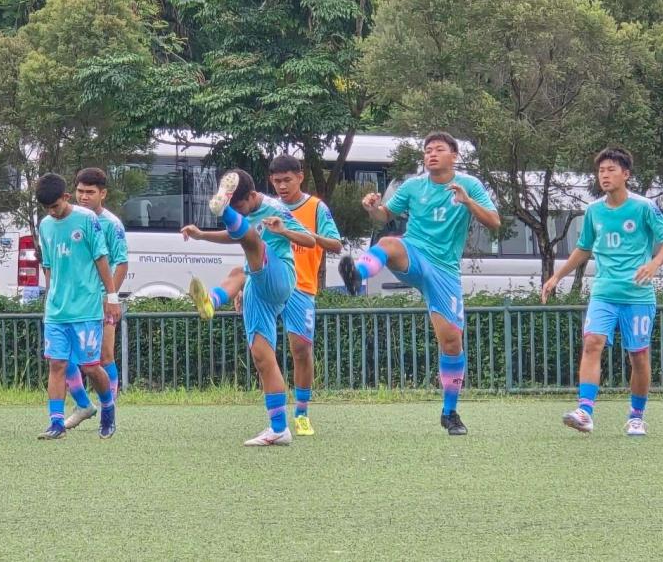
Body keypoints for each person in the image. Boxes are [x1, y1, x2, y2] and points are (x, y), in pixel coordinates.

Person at [338, 132, 500, 435]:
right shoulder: (413, 186)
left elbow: (494, 222)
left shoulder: (470, 185)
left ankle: (449, 413)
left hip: (444, 270)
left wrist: (467, 202)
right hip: (414, 253)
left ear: (454, 156)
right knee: (388, 242)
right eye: (427, 150)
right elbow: (384, 216)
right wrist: (373, 208)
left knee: (451, 341)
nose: (431, 154)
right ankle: (358, 274)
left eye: (439, 149)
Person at [542, 148, 663, 436]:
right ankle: (585, 411)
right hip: (603, 293)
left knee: (638, 356)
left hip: (637, 296)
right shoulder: (594, 211)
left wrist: (654, 264)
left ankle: (636, 416)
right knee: (592, 342)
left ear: (626, 174)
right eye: (601, 170)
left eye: (611, 169)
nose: (605, 175)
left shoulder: (644, 207)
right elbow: (583, 248)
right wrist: (557, 277)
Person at [182, 169, 315, 446]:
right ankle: (279, 428)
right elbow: (235, 236)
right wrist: (202, 235)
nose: (240, 213)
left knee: (252, 241)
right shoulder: (246, 222)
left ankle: (222, 212)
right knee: (261, 356)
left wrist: (283, 230)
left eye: (238, 207)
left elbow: (310, 241)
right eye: (233, 210)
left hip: (281, 276)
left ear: (252, 196)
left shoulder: (275, 208)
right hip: (257, 283)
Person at [34, 173, 121, 440]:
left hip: (86, 309)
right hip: (56, 312)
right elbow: (48, 265)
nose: (52, 212)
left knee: (91, 367)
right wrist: (49, 299)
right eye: (47, 208)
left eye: (55, 206)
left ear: (65, 197)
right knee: (57, 364)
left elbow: (101, 259)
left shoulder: (87, 219)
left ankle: (108, 407)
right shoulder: (45, 226)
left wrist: (111, 297)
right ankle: (56, 423)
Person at [267, 155, 342, 436]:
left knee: (301, 348)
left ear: (300, 177)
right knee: (262, 349)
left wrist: (304, 234)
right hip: (270, 283)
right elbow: (254, 246)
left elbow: (336, 244)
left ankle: (301, 412)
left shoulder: (316, 207)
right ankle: (275, 415)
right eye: (277, 181)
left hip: (301, 286)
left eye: (287, 180)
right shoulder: (267, 207)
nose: (282, 186)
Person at [63, 168, 129, 429]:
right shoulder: (70, 219)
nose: (84, 197)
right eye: (80, 191)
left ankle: (108, 411)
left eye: (90, 192)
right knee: (62, 357)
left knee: (104, 357)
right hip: (73, 301)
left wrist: (110, 297)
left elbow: (121, 262)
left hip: (101, 300)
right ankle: (82, 404)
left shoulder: (111, 224)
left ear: (103, 194)